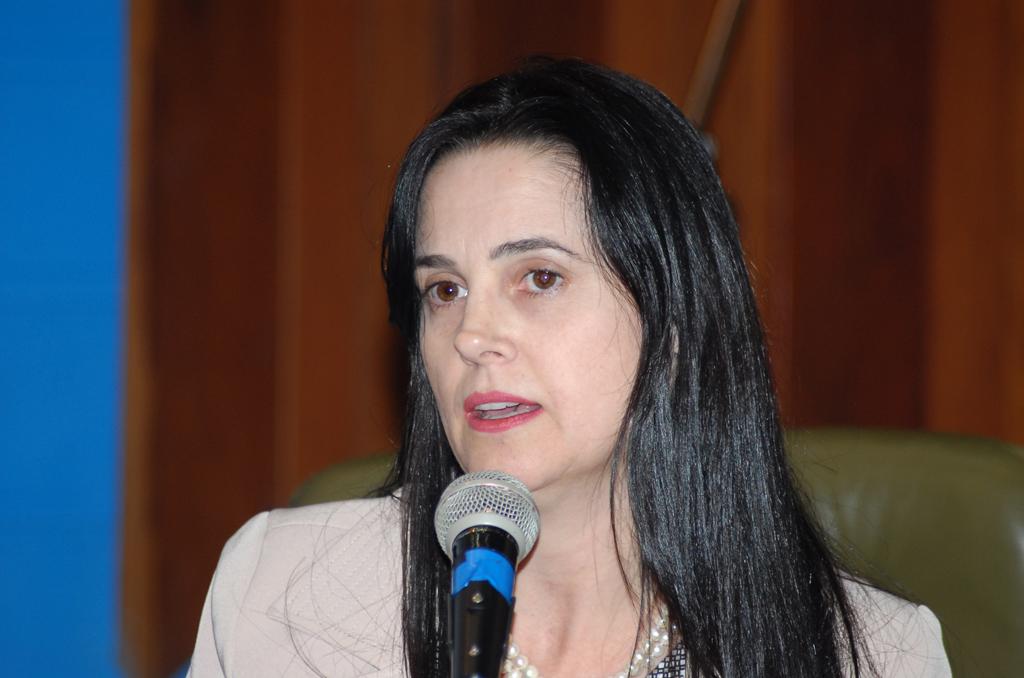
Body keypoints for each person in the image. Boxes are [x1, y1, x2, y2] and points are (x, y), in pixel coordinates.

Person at [187, 58, 950, 677]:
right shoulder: (283, 591)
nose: (472, 336)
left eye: (539, 278)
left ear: (674, 320)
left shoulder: (875, 656)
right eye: (445, 289)